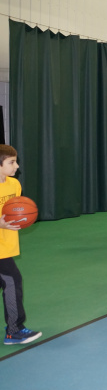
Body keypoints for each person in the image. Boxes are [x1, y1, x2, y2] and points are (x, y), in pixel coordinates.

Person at [0, 145, 41, 345]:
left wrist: (23, 219)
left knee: (11, 282)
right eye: (11, 162)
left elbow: (15, 211)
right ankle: (14, 331)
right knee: (12, 282)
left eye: (15, 161)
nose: (16, 166)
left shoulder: (14, 184)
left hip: (6, 246)